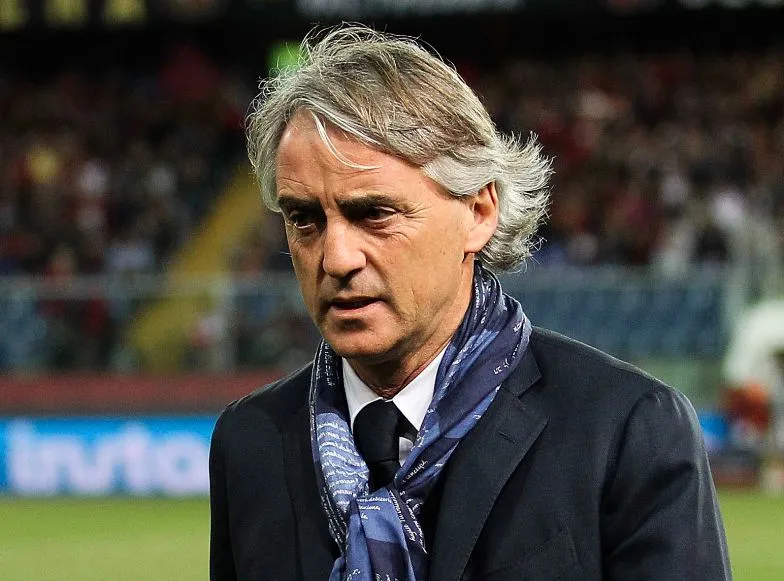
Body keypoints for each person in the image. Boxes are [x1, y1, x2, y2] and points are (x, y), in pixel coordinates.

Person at [209, 24, 731, 581]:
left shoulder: (626, 430)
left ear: (479, 213)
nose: (336, 258)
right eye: (304, 219)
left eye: (374, 214)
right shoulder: (250, 443)